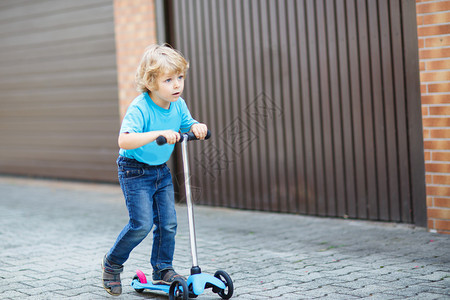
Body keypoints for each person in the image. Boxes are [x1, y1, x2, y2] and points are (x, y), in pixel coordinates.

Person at [102, 44, 208, 296]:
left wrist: (196, 126)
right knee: (141, 224)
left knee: (169, 223)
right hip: (134, 171)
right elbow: (124, 140)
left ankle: (162, 269)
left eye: (180, 77)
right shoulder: (140, 107)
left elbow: (187, 123)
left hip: (160, 171)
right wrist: (158, 133)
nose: (177, 85)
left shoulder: (178, 104)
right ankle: (112, 264)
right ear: (150, 82)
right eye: (168, 79)